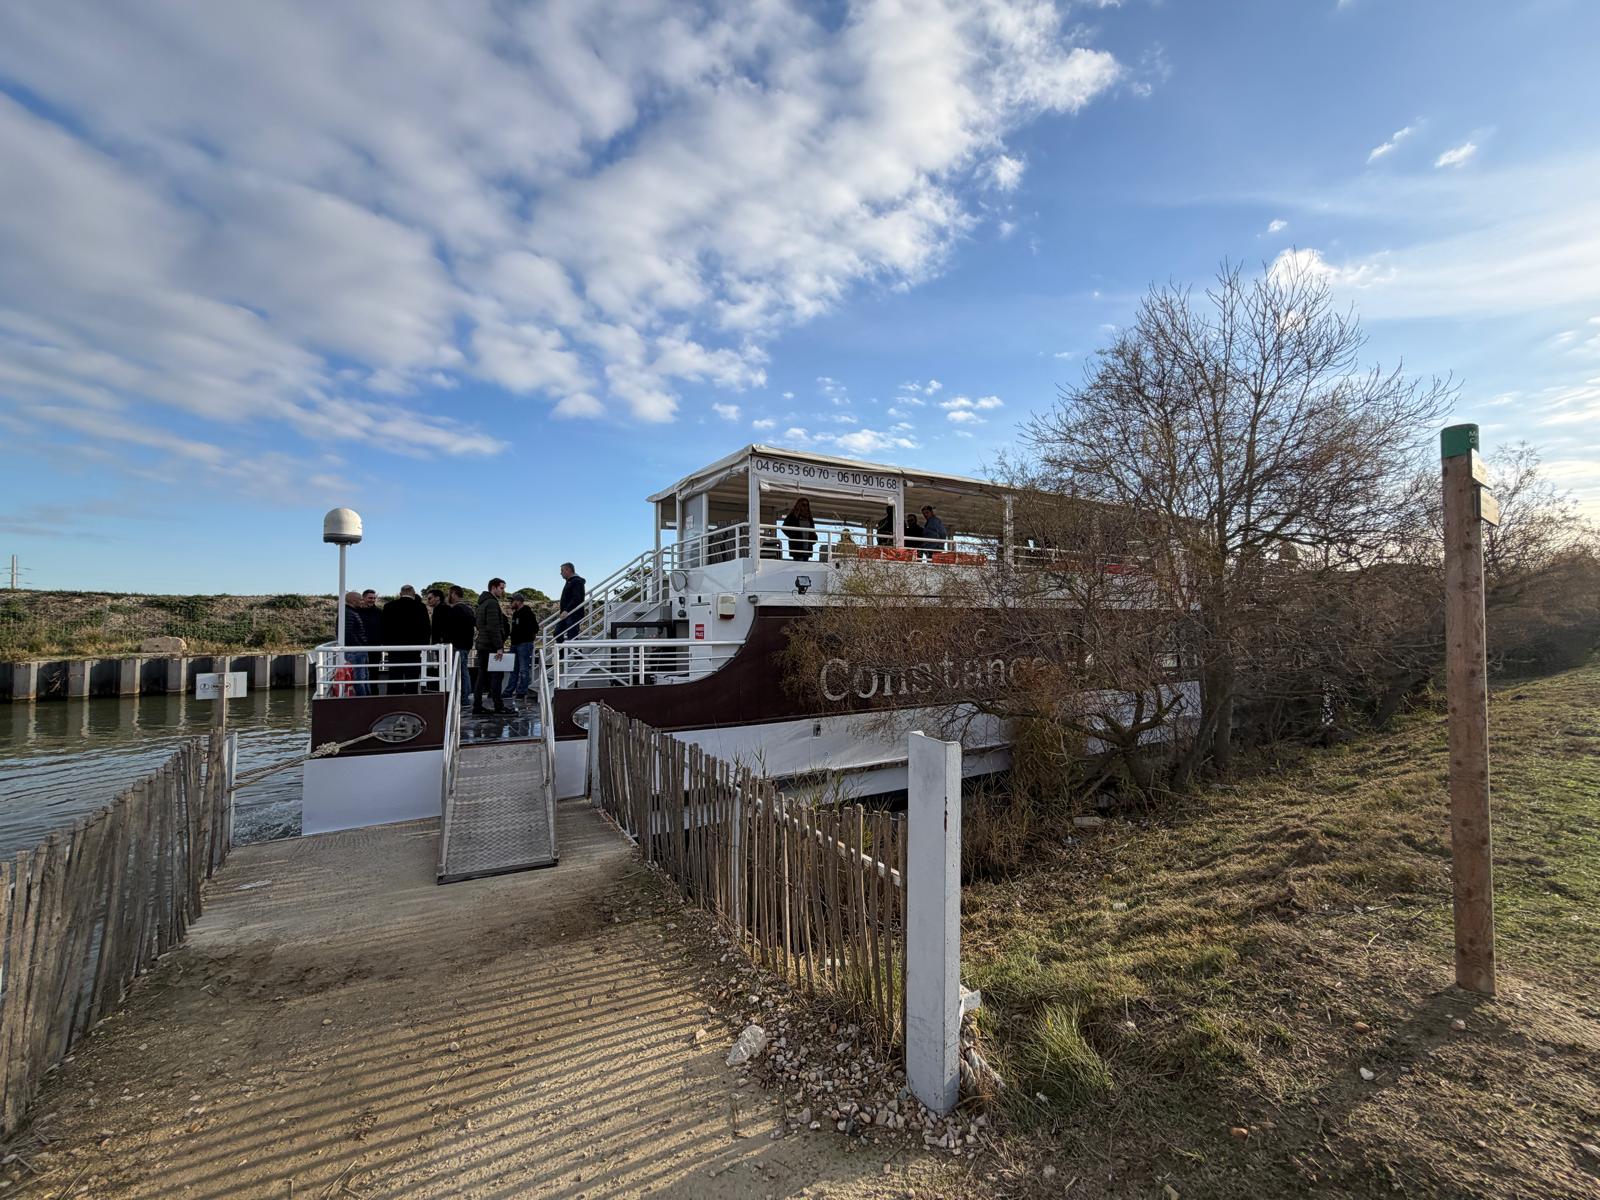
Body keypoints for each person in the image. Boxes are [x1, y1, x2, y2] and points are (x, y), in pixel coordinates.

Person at [379, 585, 431, 694]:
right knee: (412, 677)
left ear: (400, 594)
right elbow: (426, 628)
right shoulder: (420, 607)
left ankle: (393, 700)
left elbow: (383, 627)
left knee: (394, 676)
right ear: (413, 594)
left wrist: (386, 644)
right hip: (414, 649)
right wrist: (424, 645)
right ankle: (410, 699)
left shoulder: (389, 606)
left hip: (394, 648)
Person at [474, 578, 512, 715]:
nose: (503, 591)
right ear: (494, 587)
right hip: (490, 646)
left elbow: (480, 625)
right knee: (497, 676)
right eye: (502, 588)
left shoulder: (482, 603)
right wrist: (499, 646)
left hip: (482, 644)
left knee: (482, 676)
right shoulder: (491, 603)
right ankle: (498, 706)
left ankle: (477, 706)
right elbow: (493, 627)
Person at [439, 586, 476, 705]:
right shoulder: (468, 609)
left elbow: (449, 629)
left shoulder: (455, 610)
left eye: (449, 594)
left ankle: (462, 698)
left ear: (454, 594)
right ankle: (466, 696)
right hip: (466, 645)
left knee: (459, 672)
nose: (447, 596)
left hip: (457, 645)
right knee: (464, 671)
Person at [340, 590, 374, 695]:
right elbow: (348, 633)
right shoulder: (348, 613)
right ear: (353, 601)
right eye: (360, 599)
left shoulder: (350, 612)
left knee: (364, 677)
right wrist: (360, 645)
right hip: (356, 651)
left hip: (359, 650)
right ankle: (363, 700)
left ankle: (367, 698)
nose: (362, 602)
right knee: (359, 678)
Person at [507, 594, 539, 700]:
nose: (510, 603)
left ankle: (522, 691)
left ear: (518, 601)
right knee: (513, 669)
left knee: (523, 669)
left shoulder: (527, 613)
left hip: (524, 644)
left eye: (512, 601)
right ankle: (510, 690)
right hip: (515, 644)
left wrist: (528, 639)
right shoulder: (516, 614)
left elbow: (535, 627)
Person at [555, 563, 586, 642]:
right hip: (567, 614)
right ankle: (562, 654)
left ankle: (575, 654)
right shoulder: (570, 581)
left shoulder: (576, 581)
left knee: (572, 636)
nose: (560, 573)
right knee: (557, 633)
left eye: (562, 571)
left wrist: (567, 610)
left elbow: (577, 598)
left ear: (568, 570)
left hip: (573, 613)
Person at [782, 498, 817, 562]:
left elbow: (812, 530)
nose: (806, 507)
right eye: (803, 505)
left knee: (804, 568)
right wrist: (793, 535)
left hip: (807, 548)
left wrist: (814, 537)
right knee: (798, 566)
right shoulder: (792, 516)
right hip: (797, 548)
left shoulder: (809, 518)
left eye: (807, 505)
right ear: (799, 505)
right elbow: (784, 528)